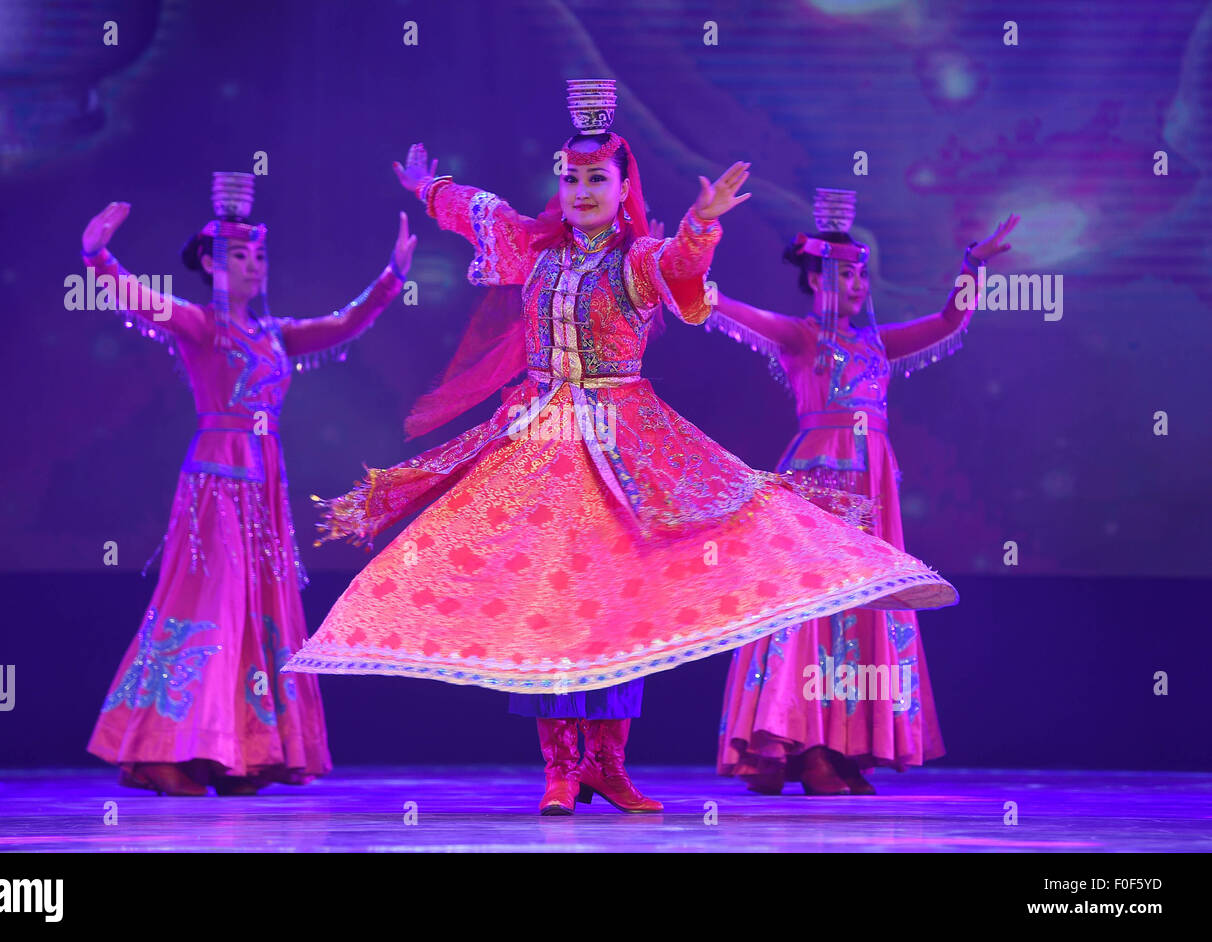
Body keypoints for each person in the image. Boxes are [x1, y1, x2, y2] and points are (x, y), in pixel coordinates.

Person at [284, 84, 957, 815]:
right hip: (542, 443)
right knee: (550, 603)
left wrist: (701, 224)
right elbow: (478, 212)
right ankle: (561, 769)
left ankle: (608, 764)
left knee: (622, 602)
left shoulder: (637, 260)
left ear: (623, 186)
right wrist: (430, 187)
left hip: (628, 446)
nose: (579, 190)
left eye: (596, 178)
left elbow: (680, 271)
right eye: (570, 178)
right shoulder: (533, 246)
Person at [83, 172, 414, 795]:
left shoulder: (274, 334)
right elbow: (140, 300)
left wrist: (392, 278)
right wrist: (98, 257)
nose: (255, 265)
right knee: (213, 603)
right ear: (209, 263)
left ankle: (248, 749)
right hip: (215, 482)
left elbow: (344, 323)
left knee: (261, 608)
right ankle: (177, 748)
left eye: (261, 255)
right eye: (239, 255)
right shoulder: (205, 327)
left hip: (264, 486)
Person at [709, 188, 1017, 794]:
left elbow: (951, 321)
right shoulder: (801, 338)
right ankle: (805, 743)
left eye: (862, 274)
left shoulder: (876, 342)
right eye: (847, 274)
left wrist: (971, 266)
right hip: (817, 481)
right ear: (819, 280)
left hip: (873, 487)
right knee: (811, 613)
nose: (858, 285)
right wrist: (680, 253)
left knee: (862, 612)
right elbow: (725, 307)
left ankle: (847, 745)